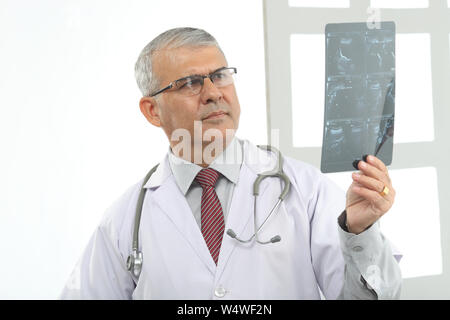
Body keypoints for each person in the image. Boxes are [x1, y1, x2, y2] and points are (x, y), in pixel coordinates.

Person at [60, 27, 402, 300]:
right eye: (190, 83)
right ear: (152, 111)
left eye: (220, 75)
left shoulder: (304, 189)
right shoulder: (125, 220)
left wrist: (360, 232)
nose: (213, 92)